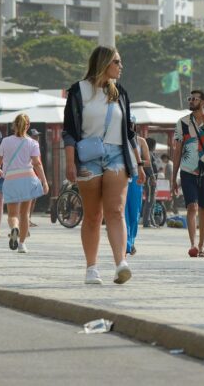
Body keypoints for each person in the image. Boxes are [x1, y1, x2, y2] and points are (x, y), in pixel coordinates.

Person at [63, 46, 145, 285]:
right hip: (88, 155)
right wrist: (70, 162)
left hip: (117, 155)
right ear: (104, 63)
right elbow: (69, 130)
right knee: (93, 215)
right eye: (117, 62)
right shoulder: (79, 91)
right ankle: (91, 268)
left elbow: (130, 132)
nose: (121, 67)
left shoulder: (120, 93)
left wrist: (139, 163)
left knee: (116, 211)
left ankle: (121, 263)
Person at [172, 90, 204, 258]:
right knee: (191, 206)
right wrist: (174, 177)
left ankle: (201, 245)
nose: (191, 101)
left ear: (203, 102)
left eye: (194, 99)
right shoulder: (182, 123)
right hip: (187, 170)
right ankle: (193, 244)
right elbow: (177, 151)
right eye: (190, 98)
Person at [0, 114, 48, 253]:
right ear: (28, 125)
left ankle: (15, 227)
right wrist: (44, 181)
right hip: (28, 178)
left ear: (14, 125)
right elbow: (37, 163)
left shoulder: (6, 141)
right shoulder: (32, 143)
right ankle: (22, 244)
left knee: (13, 214)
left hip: (11, 179)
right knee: (25, 214)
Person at [125, 128, 151, 256]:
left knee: (134, 212)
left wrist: (136, 161)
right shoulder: (119, 140)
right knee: (123, 212)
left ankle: (131, 240)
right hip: (122, 177)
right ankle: (126, 244)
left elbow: (148, 162)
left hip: (136, 178)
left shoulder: (141, 142)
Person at [140, 137, 158, 228]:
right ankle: (147, 222)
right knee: (150, 200)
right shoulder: (149, 154)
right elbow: (148, 167)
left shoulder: (150, 153)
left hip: (152, 179)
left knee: (152, 201)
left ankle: (151, 221)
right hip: (150, 180)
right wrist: (152, 177)